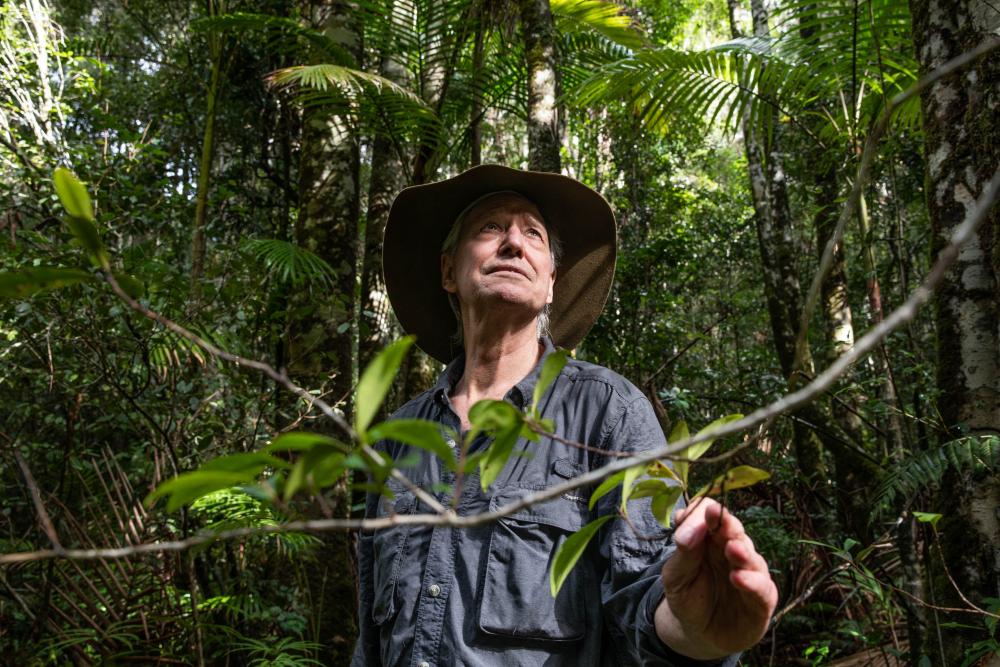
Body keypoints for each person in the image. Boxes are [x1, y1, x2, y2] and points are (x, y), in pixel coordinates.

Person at [352, 165, 778, 666]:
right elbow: (372, 638)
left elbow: (648, 585)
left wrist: (696, 631)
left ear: (551, 283)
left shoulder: (609, 413)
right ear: (449, 271)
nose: (513, 242)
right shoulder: (392, 443)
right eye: (490, 227)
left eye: (533, 233)